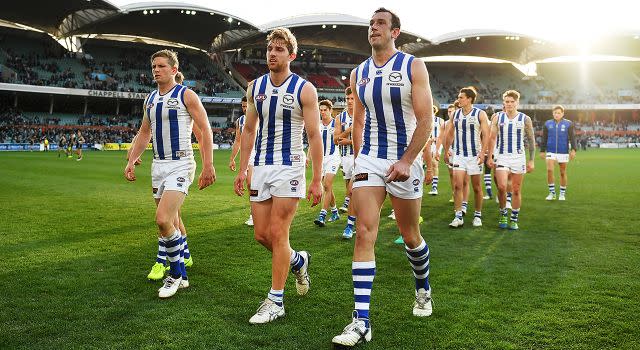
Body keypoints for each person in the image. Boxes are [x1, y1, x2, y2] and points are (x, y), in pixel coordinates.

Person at [332, 8, 434, 347]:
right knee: (364, 232)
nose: (373, 28)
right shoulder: (358, 73)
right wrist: (361, 156)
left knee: (410, 235)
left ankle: (422, 288)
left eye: (380, 24)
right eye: (371, 24)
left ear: (395, 32)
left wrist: (407, 160)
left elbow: (425, 121)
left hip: (405, 160)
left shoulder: (412, 66)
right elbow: (357, 121)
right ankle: (361, 320)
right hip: (370, 161)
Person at [233, 27, 323, 324]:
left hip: (290, 166)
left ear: (291, 55)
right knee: (261, 234)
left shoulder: (304, 89)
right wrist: (244, 167)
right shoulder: (254, 87)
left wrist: (317, 177)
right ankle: (299, 260)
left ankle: (276, 300)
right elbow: (248, 130)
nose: (272, 53)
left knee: (279, 232)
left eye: (279, 49)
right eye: (270, 48)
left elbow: (314, 134)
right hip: (260, 165)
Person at [125, 49, 215, 299]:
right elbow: (145, 133)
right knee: (172, 222)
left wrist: (208, 165)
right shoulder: (150, 99)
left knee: (163, 219)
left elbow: (205, 130)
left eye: (161, 66)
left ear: (174, 70)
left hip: (181, 164)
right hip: (158, 165)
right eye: (154, 66)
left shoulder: (186, 95)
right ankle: (182, 273)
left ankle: (174, 274)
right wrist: (132, 160)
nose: (156, 70)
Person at [487, 90, 535, 230]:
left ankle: (514, 218)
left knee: (516, 189)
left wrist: (531, 160)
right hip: (502, 156)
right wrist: (490, 156)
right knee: (501, 187)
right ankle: (503, 213)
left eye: (512, 102)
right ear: (504, 103)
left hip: (518, 157)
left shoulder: (525, 119)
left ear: (517, 103)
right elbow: (492, 138)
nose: (509, 104)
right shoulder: (497, 117)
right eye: (507, 102)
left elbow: (531, 141)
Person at [443, 87, 490, 228]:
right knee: (457, 185)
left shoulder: (480, 114)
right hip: (459, 155)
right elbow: (449, 133)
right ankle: (458, 216)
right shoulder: (455, 114)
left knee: (476, 187)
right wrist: (446, 150)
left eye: (461, 97)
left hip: (474, 155)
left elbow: (486, 134)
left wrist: (483, 152)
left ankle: (477, 215)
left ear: (469, 99)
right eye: (458, 97)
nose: (458, 99)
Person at [313, 99, 341, 227]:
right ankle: (334, 211)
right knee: (327, 187)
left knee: (327, 184)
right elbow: (313, 142)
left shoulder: (336, 123)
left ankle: (322, 214)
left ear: (331, 111)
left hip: (334, 157)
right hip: (321, 158)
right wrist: (308, 157)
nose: (323, 112)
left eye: (325, 110)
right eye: (321, 110)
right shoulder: (317, 124)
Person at [540, 105, 576, 201]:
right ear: (553, 113)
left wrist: (573, 149)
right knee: (549, 170)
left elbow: (572, 137)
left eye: (559, 113)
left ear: (562, 113)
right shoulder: (547, 124)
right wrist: (542, 150)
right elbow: (544, 138)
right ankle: (552, 193)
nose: (556, 114)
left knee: (562, 172)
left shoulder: (568, 124)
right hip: (550, 151)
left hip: (563, 151)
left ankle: (562, 194)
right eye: (555, 113)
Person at [229, 96, 254, 225]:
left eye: (247, 106)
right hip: (248, 155)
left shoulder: (261, 117)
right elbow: (237, 141)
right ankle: (253, 213)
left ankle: (259, 212)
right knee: (250, 184)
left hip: (261, 153)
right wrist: (232, 158)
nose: (244, 109)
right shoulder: (240, 121)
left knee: (254, 183)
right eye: (243, 106)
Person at [335, 87, 356, 239]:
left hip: (360, 157)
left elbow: (365, 140)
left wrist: (347, 141)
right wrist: (349, 129)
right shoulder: (340, 118)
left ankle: (349, 226)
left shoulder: (365, 114)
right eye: (347, 99)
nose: (349, 101)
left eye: (352, 99)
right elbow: (336, 140)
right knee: (351, 189)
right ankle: (355, 220)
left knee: (351, 191)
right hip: (345, 158)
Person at [426, 105, 444, 195]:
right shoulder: (425, 119)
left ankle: (434, 187)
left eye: (432, 111)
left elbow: (444, 132)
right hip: (426, 144)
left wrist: (437, 138)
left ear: (434, 111)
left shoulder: (440, 120)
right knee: (421, 164)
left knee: (434, 163)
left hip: (436, 144)